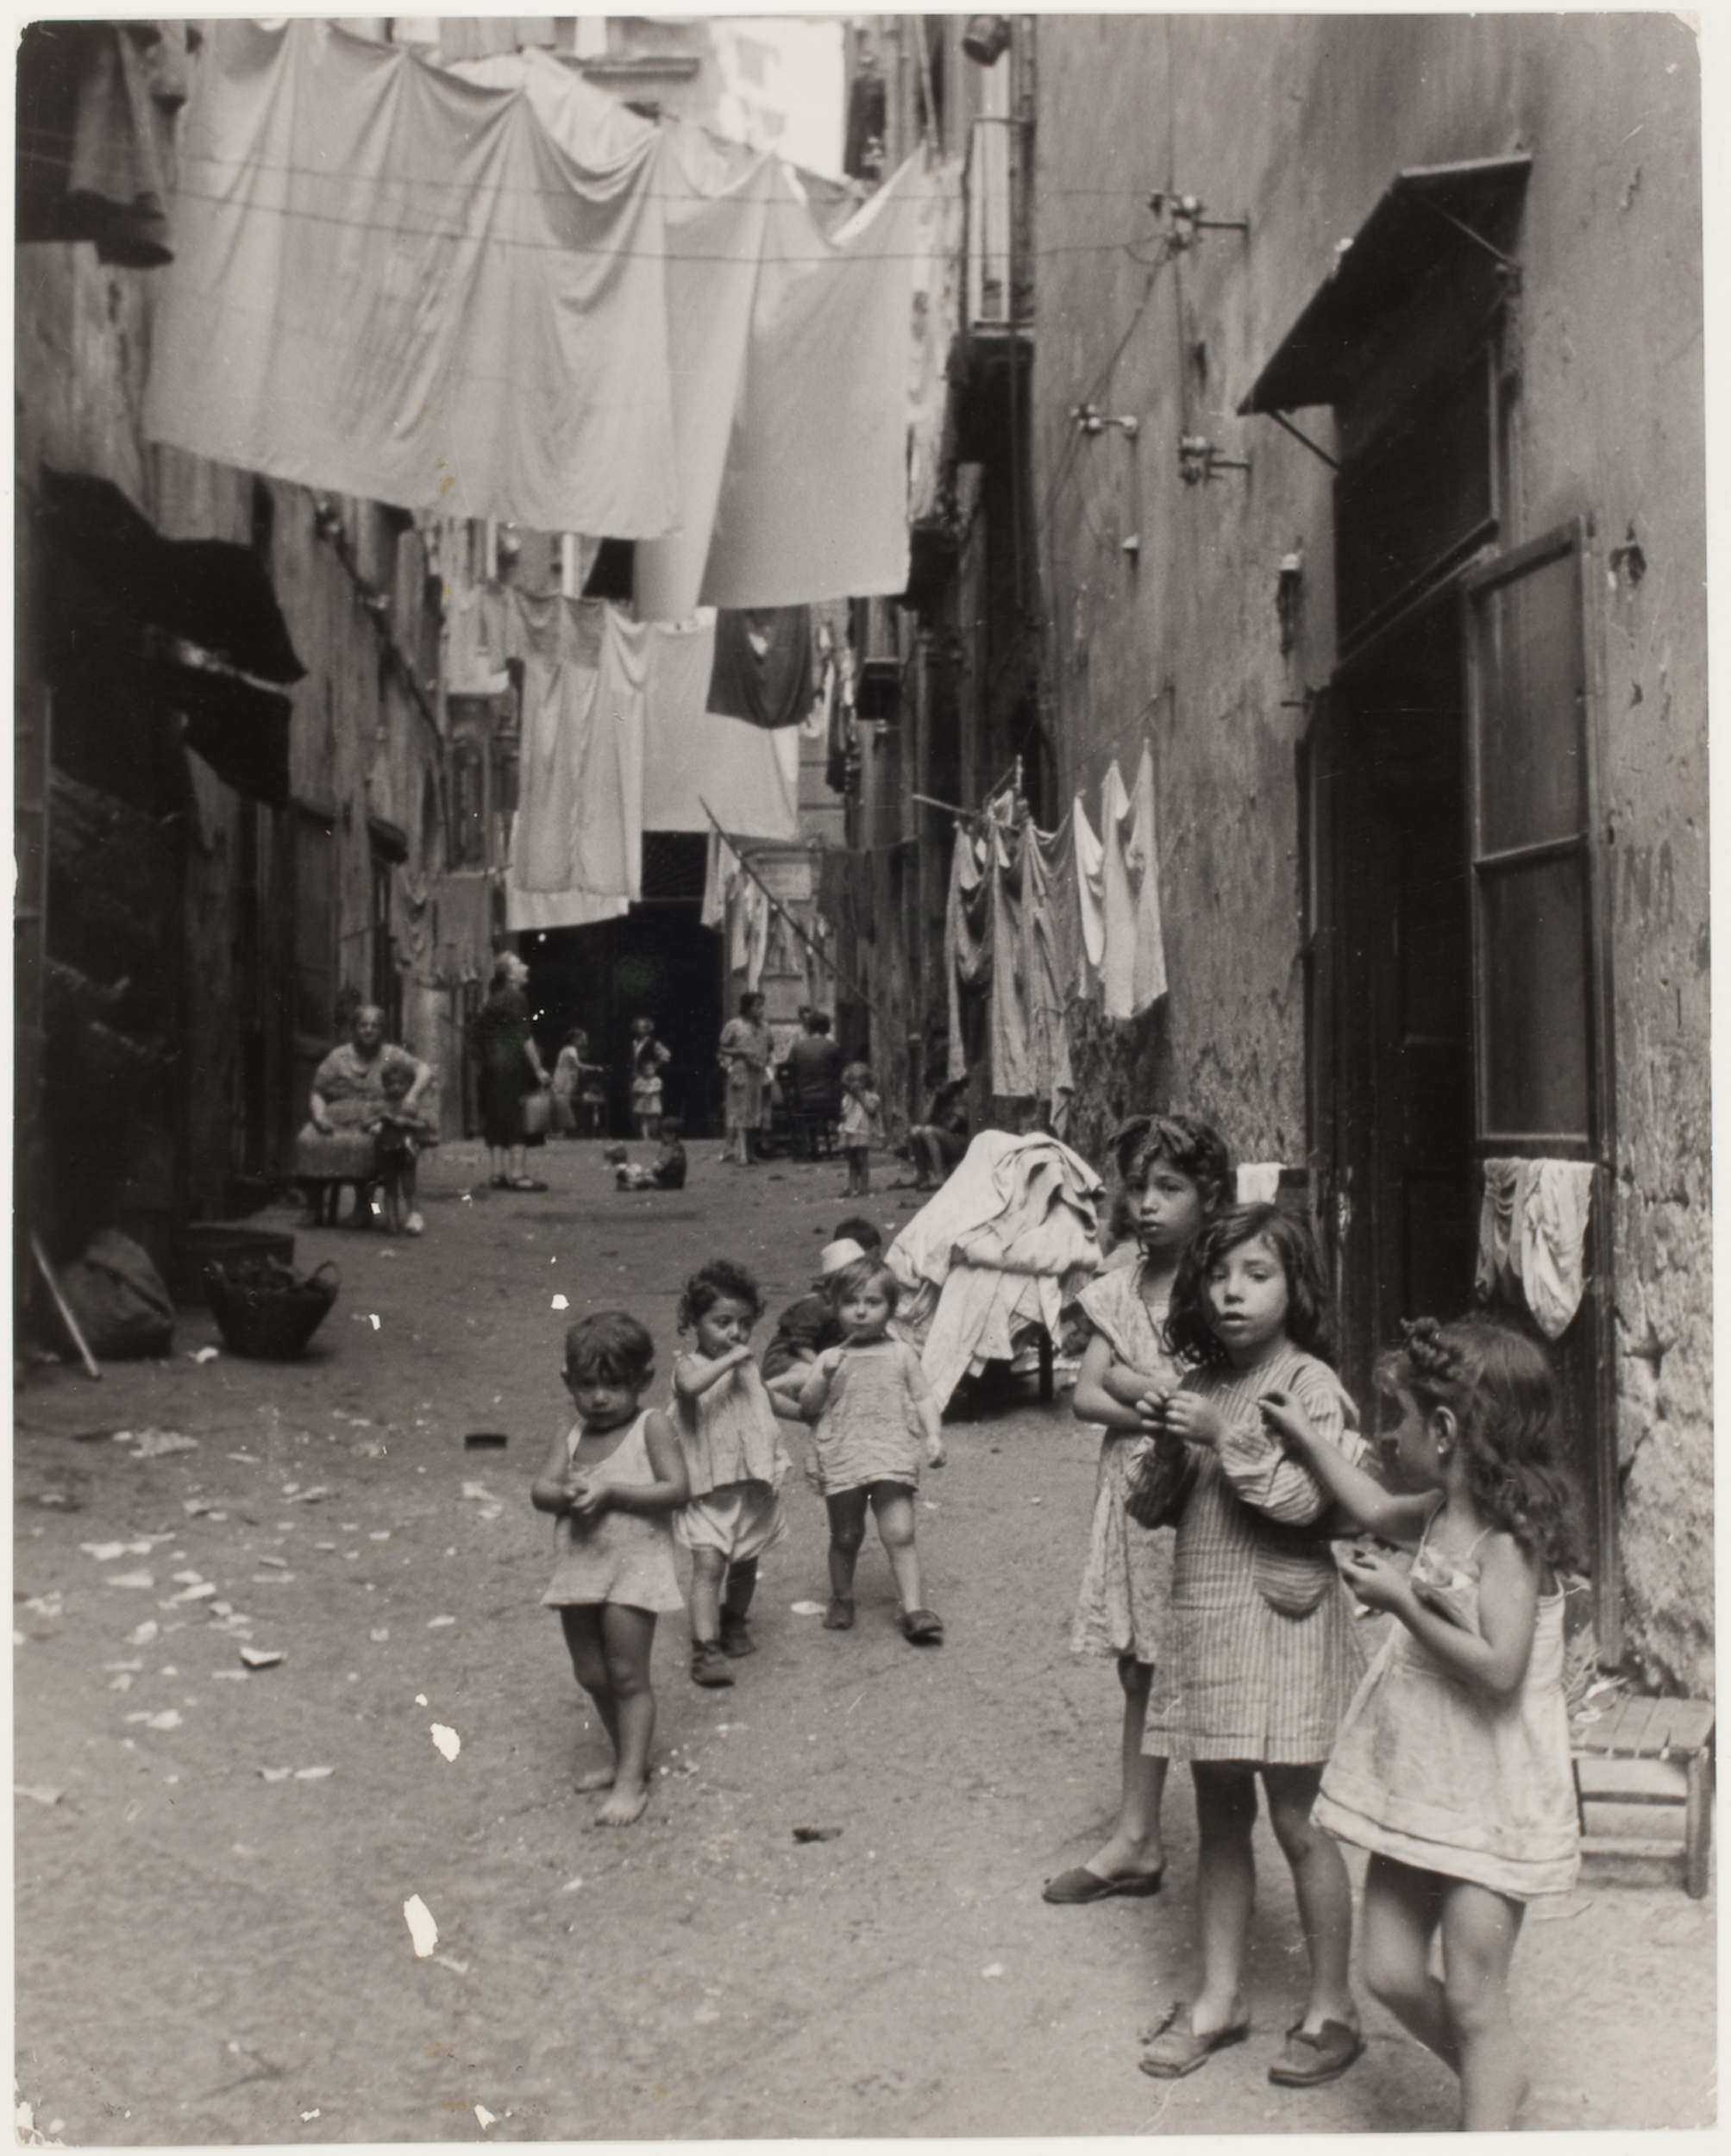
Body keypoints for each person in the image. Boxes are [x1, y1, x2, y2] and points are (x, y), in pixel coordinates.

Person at [1264, 1317, 1583, 2133]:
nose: (1384, 1434)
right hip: (1423, 1788)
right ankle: (1497, 2075)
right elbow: (1368, 1500)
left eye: (1397, 1419)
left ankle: (1486, 2102)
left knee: (1476, 1998)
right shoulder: (1442, 1509)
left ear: (1442, 1432)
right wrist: (1305, 1437)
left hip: (1491, 1800)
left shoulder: (1508, 1544)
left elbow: (1500, 1672)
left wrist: (1405, 1598)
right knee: (1391, 1971)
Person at [1135, 1204, 1365, 2089]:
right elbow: (1155, 1509)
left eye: (1256, 1274)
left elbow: (1310, 1505)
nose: (1233, 1291)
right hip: (1208, 1618)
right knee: (1218, 1816)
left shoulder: (1309, 1384)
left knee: (1300, 1820)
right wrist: (1163, 1437)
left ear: (1293, 1287)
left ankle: (1333, 2006)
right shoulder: (1204, 1379)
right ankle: (1220, 1998)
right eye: (1219, 1274)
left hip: (1283, 1621)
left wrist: (1220, 1435)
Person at [1044, 1114, 1232, 1907]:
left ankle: (1214, 1842)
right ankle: (1139, 1837)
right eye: (1139, 1188)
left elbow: (1224, 1394)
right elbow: (1085, 1394)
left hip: (1206, 1498)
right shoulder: (1119, 1288)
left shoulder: (1225, 1282)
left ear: (1208, 1196)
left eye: (1171, 1188)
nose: (1150, 1205)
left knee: (1208, 1664)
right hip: (1135, 1498)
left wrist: (1136, 1383)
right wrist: (1141, 1394)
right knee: (1138, 1664)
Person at [530, 1311, 689, 1827]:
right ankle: (629, 1757)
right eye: (587, 1385)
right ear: (568, 1383)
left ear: (642, 1382)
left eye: (615, 1385)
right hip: (581, 1567)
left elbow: (676, 1489)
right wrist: (566, 1492)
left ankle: (631, 1780)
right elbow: (542, 1489)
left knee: (626, 1674)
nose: (600, 1398)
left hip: (635, 1567)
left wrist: (614, 1490)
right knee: (591, 1672)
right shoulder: (571, 1433)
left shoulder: (652, 1426)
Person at [797, 1256, 945, 1644]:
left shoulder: (901, 1354)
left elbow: (924, 1396)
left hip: (891, 1452)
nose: (861, 1312)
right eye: (850, 1302)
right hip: (844, 1454)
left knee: (900, 1531)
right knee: (846, 1535)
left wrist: (934, 1434)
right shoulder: (832, 1357)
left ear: (891, 1308)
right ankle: (842, 1596)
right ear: (836, 1306)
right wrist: (823, 1375)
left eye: (872, 1302)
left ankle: (914, 1609)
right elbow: (808, 1407)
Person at [670, 1260, 791, 1689]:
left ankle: (734, 1619)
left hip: (750, 1489)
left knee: (745, 1563)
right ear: (694, 1322)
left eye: (744, 1324)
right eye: (722, 1322)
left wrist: (809, 1412)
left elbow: (766, 1404)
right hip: (707, 1490)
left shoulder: (746, 1367)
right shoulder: (690, 1365)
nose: (735, 1334)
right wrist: (733, 1359)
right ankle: (705, 1648)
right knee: (708, 1564)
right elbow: (691, 1389)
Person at [294, 1003, 433, 1227]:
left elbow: (424, 1071)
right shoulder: (337, 1057)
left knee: (369, 1146)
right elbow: (317, 1091)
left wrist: (412, 1096)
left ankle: (365, 1208)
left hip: (375, 1118)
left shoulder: (390, 1055)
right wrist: (319, 1116)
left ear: (382, 1031)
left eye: (375, 1026)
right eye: (363, 1025)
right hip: (337, 1116)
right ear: (354, 1029)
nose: (368, 1030)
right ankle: (315, 1205)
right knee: (306, 1141)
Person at [469, 952, 550, 1191]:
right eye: (519, 963)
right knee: (517, 1118)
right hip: (512, 1068)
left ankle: (497, 1173)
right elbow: (523, 1036)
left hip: (492, 1069)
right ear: (510, 975)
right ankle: (517, 1174)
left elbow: (477, 1038)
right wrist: (539, 1069)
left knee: (496, 1118)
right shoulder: (516, 997)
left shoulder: (493, 1000)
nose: (525, 966)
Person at [367, 1056, 440, 1237]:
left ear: (408, 1085)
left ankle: (415, 1217)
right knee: (389, 1187)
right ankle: (391, 1220)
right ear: (385, 1085)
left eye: (401, 1084)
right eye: (391, 1084)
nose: (396, 1088)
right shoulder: (381, 1104)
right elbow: (367, 1123)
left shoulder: (410, 1105)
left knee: (409, 1186)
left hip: (407, 1151)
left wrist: (406, 1122)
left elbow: (425, 1125)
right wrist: (378, 1120)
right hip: (386, 1151)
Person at [717, 991, 772, 1165]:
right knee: (741, 1112)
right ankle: (740, 1153)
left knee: (755, 1112)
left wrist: (762, 1057)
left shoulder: (765, 1026)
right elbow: (722, 1048)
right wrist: (741, 1052)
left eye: (762, 1006)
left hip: (758, 1072)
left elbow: (770, 1046)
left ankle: (750, 1151)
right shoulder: (734, 1025)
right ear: (747, 1008)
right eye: (757, 1006)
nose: (761, 1010)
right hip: (741, 1071)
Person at [781, 1010, 844, 1157]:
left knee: (808, 1112)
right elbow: (838, 1073)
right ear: (827, 1028)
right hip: (829, 1100)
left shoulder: (798, 1047)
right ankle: (836, 1143)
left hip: (804, 1100)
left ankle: (812, 1145)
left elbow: (790, 1070)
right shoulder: (833, 1047)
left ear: (809, 1027)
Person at [906, 1075, 970, 1190]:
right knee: (915, 1131)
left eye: (941, 1084)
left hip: (959, 1143)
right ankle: (922, 1175)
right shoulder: (940, 1100)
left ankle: (940, 1177)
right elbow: (922, 1121)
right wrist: (934, 1097)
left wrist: (935, 1127)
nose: (940, 1087)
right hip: (941, 1139)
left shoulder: (960, 1097)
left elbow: (950, 1126)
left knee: (928, 1131)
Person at [837, 1061, 884, 1198]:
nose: (854, 1085)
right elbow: (845, 1113)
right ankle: (852, 1187)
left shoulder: (871, 1097)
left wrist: (861, 1096)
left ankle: (864, 1186)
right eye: (851, 1082)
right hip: (851, 1131)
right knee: (852, 1160)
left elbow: (872, 1111)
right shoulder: (847, 1099)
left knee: (862, 1159)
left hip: (863, 1131)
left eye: (857, 1082)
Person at [607, 1119, 687, 1192]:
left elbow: (658, 1168)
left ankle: (627, 1181)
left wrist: (645, 1172)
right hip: (676, 1184)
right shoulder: (678, 1146)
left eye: (662, 1135)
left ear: (672, 1135)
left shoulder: (669, 1149)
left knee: (646, 1179)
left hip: (668, 1184)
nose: (660, 1138)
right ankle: (630, 1186)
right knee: (644, 1179)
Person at [550, 1030, 604, 1138]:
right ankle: (558, 1132)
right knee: (563, 1103)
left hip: (567, 1077)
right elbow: (577, 1065)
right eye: (582, 1038)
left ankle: (559, 1131)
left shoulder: (567, 1049)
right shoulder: (571, 1049)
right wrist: (595, 1068)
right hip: (565, 1079)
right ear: (575, 1039)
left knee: (563, 1103)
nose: (584, 1041)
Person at [628, 1018, 673, 1140]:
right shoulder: (634, 1043)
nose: (640, 1030)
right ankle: (640, 1135)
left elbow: (666, 1056)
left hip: (647, 1078)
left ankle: (653, 1134)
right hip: (636, 1077)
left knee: (651, 1109)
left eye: (643, 1027)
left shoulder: (653, 1043)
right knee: (636, 1107)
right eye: (638, 1027)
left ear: (648, 1029)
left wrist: (654, 1067)